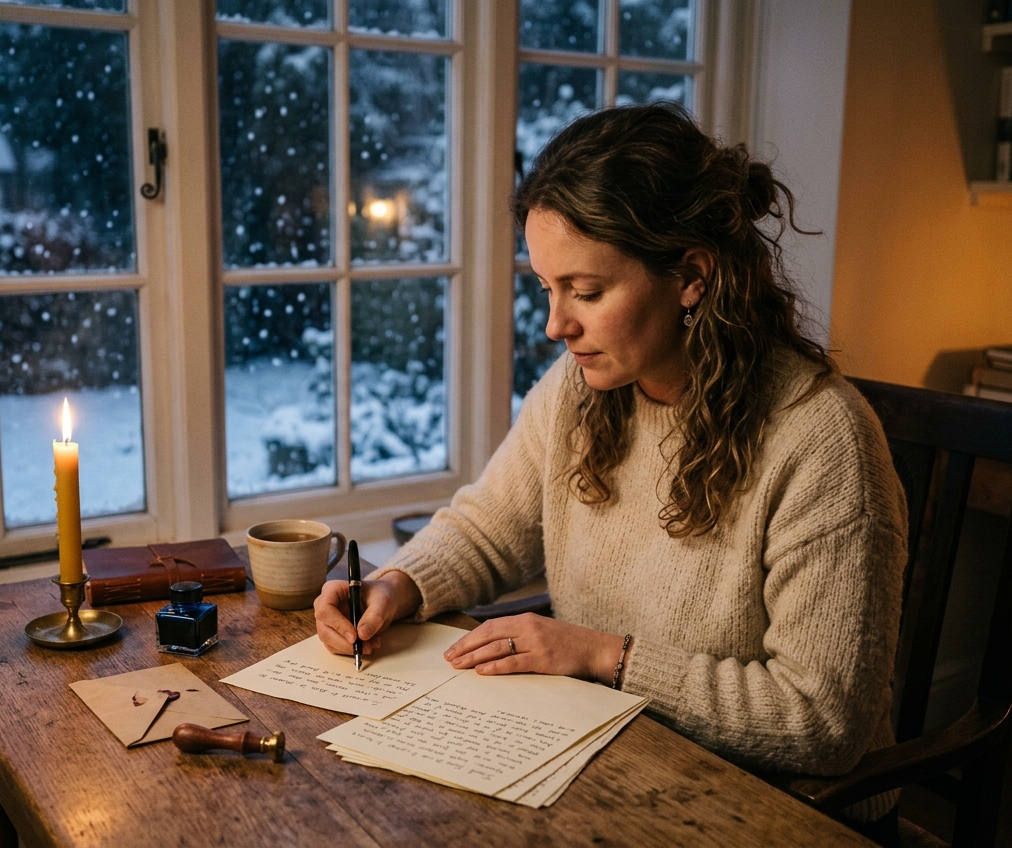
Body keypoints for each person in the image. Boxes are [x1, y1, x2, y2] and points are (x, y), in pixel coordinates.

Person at [314, 101, 907, 831]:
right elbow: (491, 526)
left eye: (586, 292)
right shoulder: (579, 390)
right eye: (547, 288)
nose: (556, 325)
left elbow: (822, 721)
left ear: (691, 276)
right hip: (607, 759)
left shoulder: (821, 442)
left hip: (778, 811)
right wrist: (398, 584)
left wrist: (606, 658)